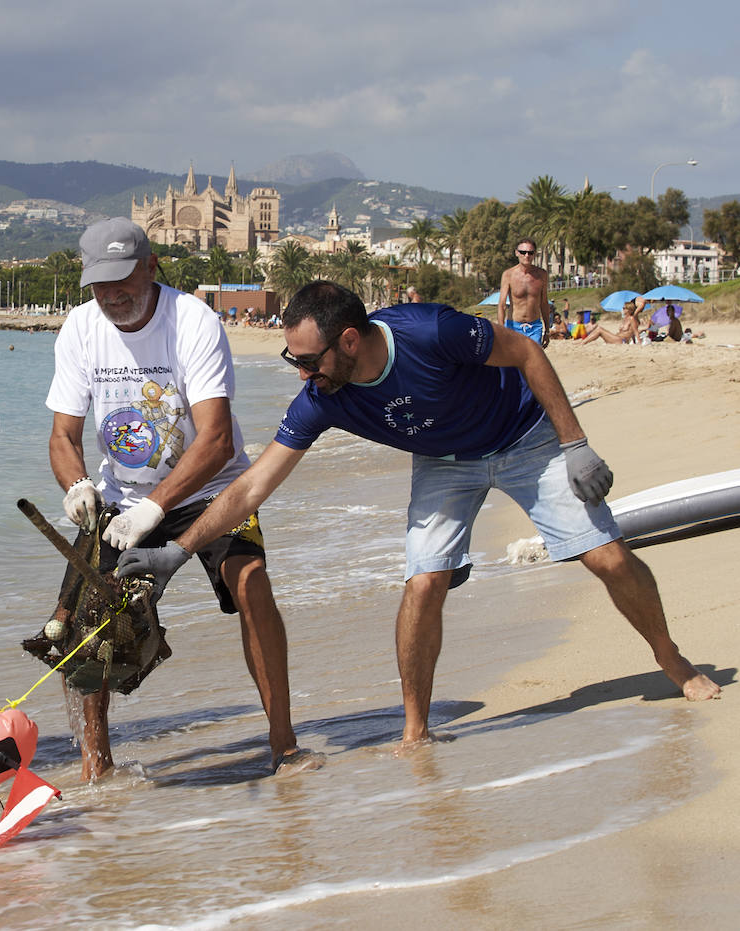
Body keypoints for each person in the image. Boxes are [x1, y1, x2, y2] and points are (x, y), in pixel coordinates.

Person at [120, 280, 720, 748]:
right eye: (291, 359)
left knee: (607, 557)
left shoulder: (432, 330)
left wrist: (575, 444)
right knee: (424, 583)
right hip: (444, 463)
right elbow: (252, 486)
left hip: (525, 438)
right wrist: (179, 549)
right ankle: (416, 729)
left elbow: (528, 353)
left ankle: (670, 658)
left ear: (349, 341)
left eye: (308, 360)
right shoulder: (322, 398)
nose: (301, 374)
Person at [46, 217, 316, 781]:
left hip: (210, 487)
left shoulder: (192, 319)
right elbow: (63, 436)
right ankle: (98, 771)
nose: (112, 296)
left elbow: (216, 441)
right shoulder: (80, 327)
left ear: (151, 267)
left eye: (123, 281)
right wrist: (76, 486)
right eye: (99, 285)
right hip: (120, 499)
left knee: (251, 583)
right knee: (89, 623)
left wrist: (157, 508)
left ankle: (284, 746)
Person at [497, 238, 552, 346]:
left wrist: (547, 330)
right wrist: (501, 330)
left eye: (530, 253)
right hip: (514, 326)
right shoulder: (508, 275)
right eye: (523, 252)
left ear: (534, 254)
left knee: (534, 356)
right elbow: (502, 305)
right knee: (514, 356)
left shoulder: (542, 275)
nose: (527, 256)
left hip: (534, 327)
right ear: (516, 253)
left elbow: (544, 303)